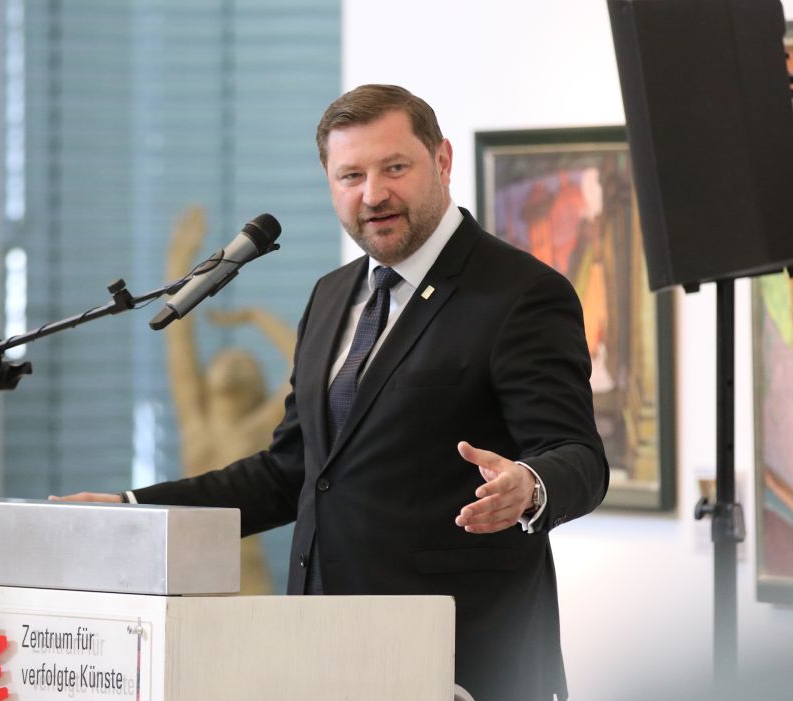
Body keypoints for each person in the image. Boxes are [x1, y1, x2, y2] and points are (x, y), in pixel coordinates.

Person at [53, 84, 608, 700]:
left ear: (442, 160)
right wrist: (133, 510)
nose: (373, 194)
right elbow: (292, 471)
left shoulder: (521, 294)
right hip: (324, 651)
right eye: (351, 175)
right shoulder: (331, 296)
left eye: (394, 168)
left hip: (463, 660)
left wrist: (531, 484)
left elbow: (579, 456)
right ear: (329, 182)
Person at [163, 204, 298, 594]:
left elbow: (303, 365)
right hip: (189, 562)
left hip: (244, 568)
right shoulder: (196, 419)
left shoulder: (259, 427)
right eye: (225, 357)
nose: (233, 360)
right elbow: (178, 341)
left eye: (245, 362)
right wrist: (180, 259)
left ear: (256, 389)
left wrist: (256, 317)